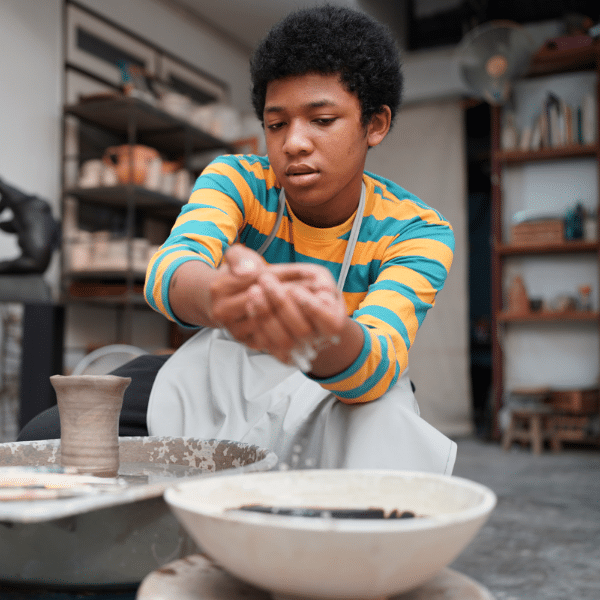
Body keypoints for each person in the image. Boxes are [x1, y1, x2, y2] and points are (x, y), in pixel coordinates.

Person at [19, 5, 456, 473]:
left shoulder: (417, 230)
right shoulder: (238, 181)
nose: (294, 143)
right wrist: (222, 299)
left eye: (322, 120)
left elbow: (377, 357)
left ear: (376, 124)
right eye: (276, 124)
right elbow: (171, 268)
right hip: (225, 374)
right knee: (44, 440)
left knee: (378, 478)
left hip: (344, 383)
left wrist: (318, 333)